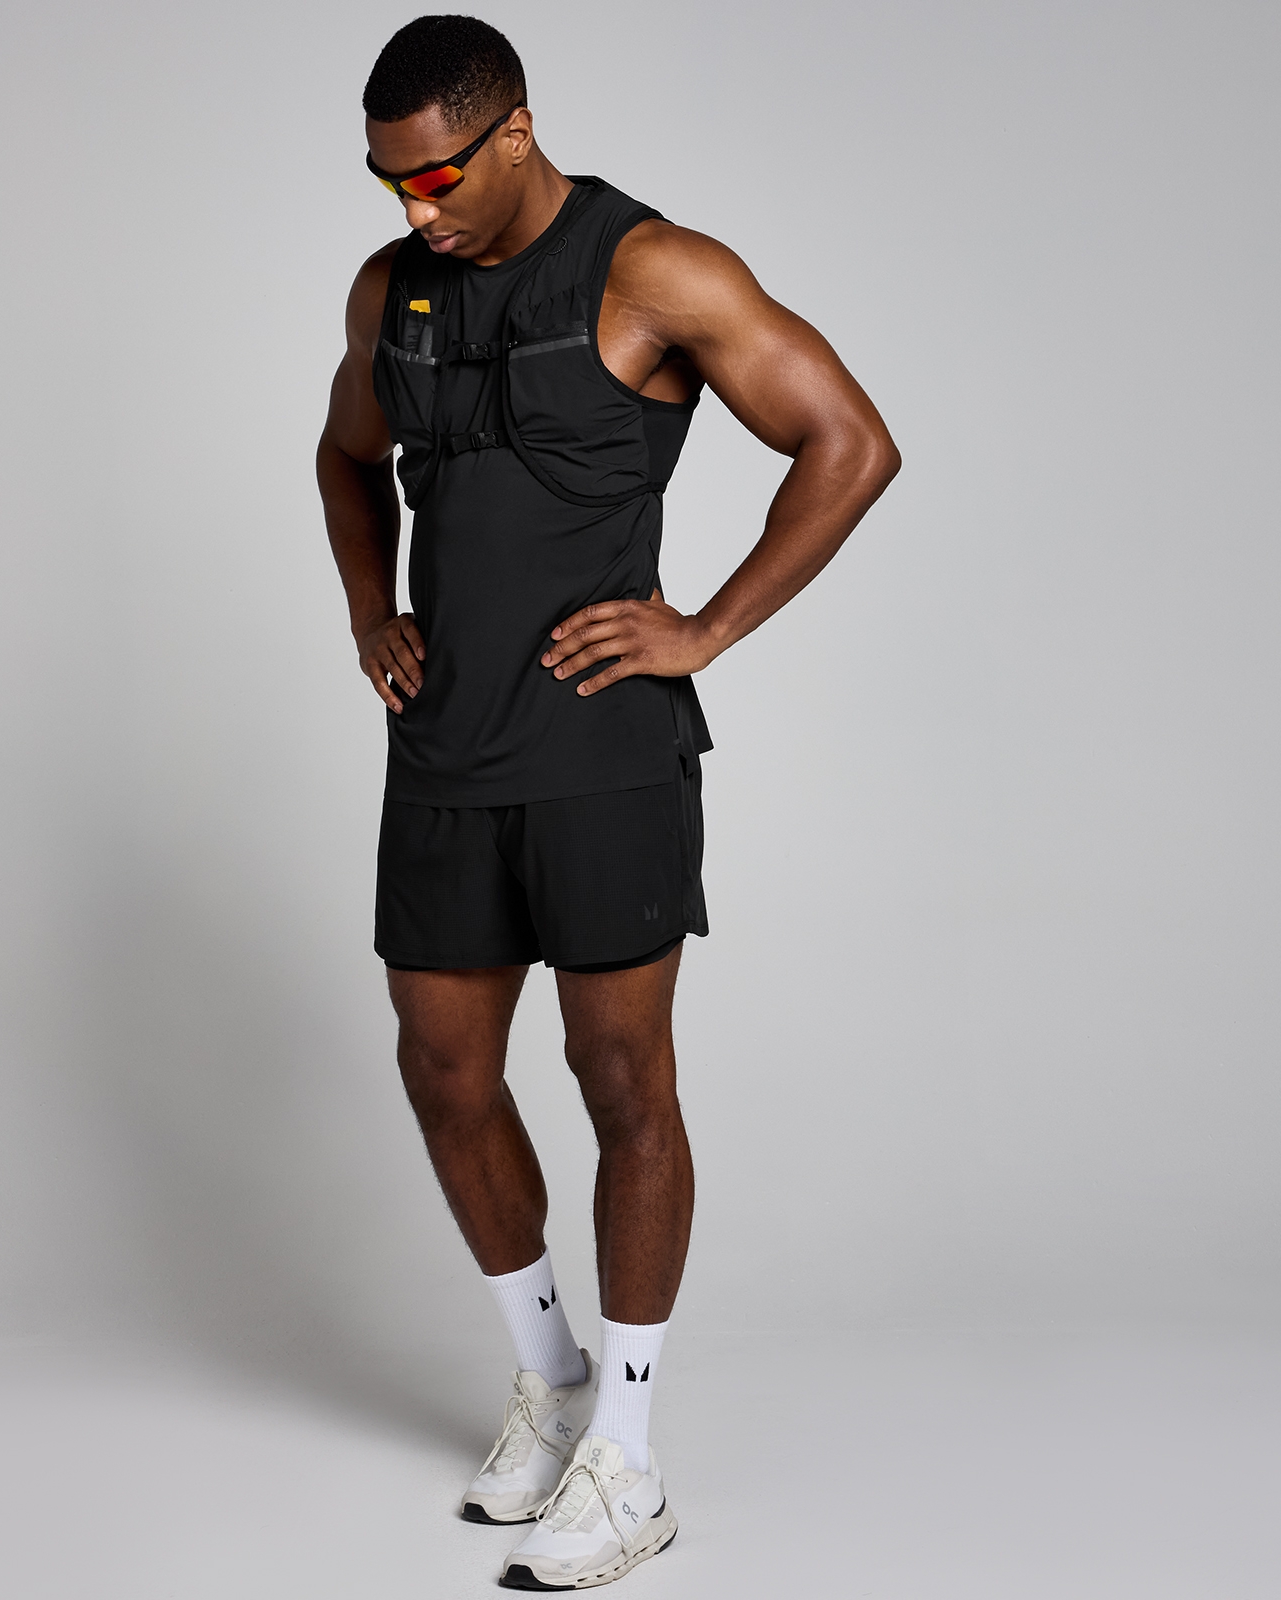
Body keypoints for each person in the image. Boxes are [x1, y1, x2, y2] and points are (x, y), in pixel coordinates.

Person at [316, 15, 899, 1589]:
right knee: (443, 1070)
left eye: (439, 175)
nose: (417, 207)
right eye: (388, 182)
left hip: (602, 755)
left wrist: (702, 628)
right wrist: (373, 612)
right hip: (446, 751)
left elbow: (850, 442)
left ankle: (628, 1459)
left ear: (514, 132)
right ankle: (552, 1379)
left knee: (621, 1078)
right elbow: (345, 456)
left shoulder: (655, 272)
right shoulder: (391, 288)